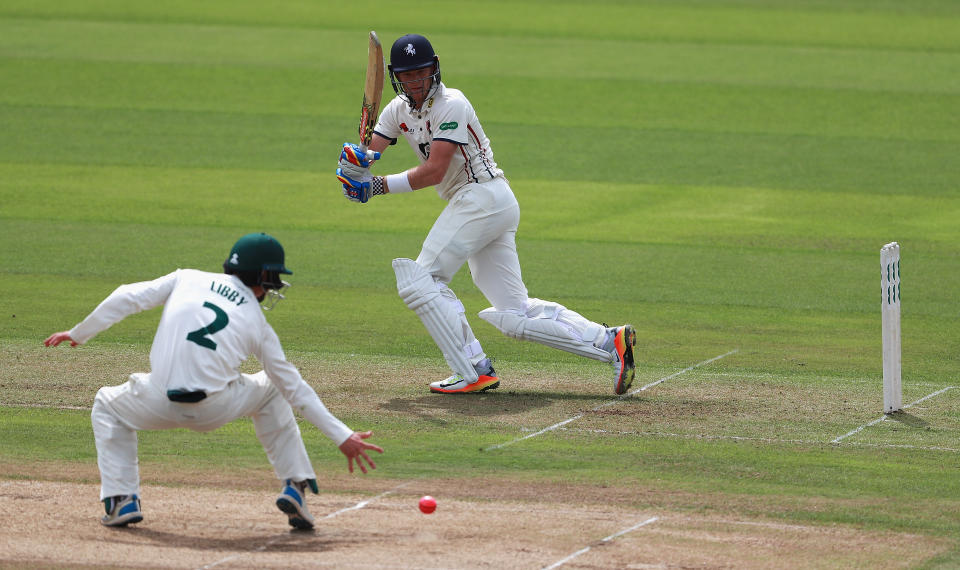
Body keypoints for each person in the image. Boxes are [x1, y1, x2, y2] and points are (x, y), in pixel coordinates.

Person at [336, 34, 636, 395]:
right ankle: (608, 341)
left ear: (435, 68)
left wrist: (376, 187)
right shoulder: (396, 111)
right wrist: (353, 165)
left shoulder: (453, 103)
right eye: (408, 75)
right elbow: (369, 154)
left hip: (481, 198)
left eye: (423, 72)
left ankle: (472, 368)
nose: (417, 82)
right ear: (397, 77)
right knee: (513, 314)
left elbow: (434, 170)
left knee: (421, 279)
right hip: (484, 206)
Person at [43, 233, 383, 529]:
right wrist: (342, 436)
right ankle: (296, 485)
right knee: (273, 387)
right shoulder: (256, 322)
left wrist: (79, 333)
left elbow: (126, 297)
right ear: (263, 277)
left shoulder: (186, 278)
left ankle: (122, 500)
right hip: (215, 407)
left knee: (107, 403)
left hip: (157, 401)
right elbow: (294, 387)